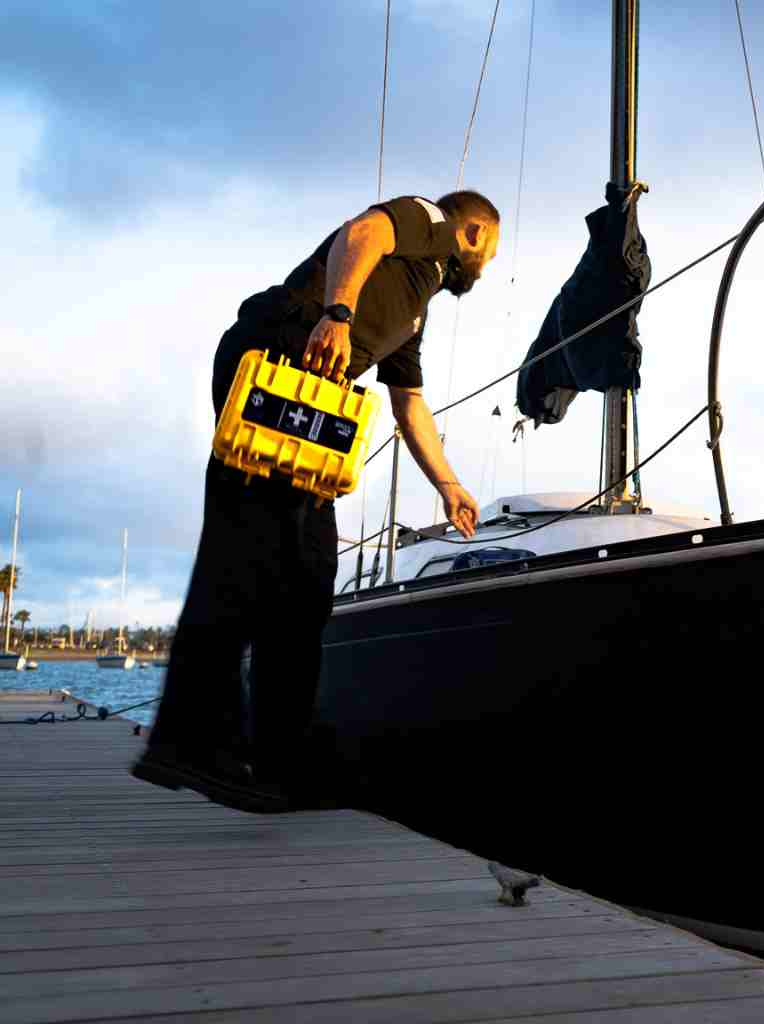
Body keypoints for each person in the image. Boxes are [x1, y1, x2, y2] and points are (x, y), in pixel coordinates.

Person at [131, 191, 501, 812]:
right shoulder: (428, 221)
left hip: (311, 402)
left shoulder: (416, 301)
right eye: (492, 247)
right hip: (280, 362)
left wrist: (449, 484)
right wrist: (338, 312)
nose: (489, 265)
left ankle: (276, 762)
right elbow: (365, 230)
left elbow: (409, 401)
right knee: (247, 551)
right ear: (473, 231)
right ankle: (190, 743)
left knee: (307, 578)